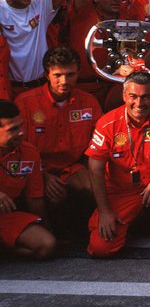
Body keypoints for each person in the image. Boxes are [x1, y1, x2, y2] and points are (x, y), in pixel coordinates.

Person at [84, 72, 150, 259]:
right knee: (101, 248)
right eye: (133, 96)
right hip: (121, 191)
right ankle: (125, 224)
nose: (139, 103)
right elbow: (95, 168)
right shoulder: (107, 123)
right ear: (124, 96)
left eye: (146, 97)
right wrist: (105, 211)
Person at [15, 47, 101, 235]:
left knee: (93, 186)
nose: (64, 81)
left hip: (72, 167)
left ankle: (90, 229)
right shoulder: (25, 102)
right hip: (37, 169)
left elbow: (98, 146)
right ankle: (47, 230)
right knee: (53, 197)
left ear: (78, 72)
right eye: (58, 75)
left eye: (70, 74)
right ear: (47, 74)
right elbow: (19, 147)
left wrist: (87, 168)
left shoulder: (89, 102)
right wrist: (43, 176)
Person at [0, 99, 56, 259]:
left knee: (47, 245)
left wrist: (47, 227)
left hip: (5, 218)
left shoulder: (29, 153)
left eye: (21, 125)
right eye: (13, 129)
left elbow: (35, 200)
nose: (22, 132)